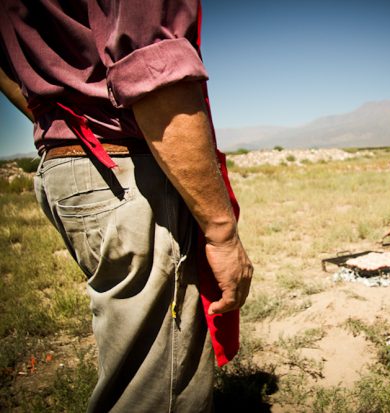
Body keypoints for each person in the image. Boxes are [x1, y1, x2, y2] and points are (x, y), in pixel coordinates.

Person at [0, 1, 253, 411]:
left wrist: (60, 112)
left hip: (66, 168)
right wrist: (222, 235)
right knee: (154, 393)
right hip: (127, 170)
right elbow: (156, 75)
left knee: (133, 363)